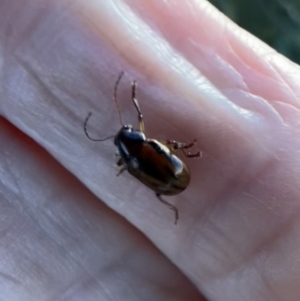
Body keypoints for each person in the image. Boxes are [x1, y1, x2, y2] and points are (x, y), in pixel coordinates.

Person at [0, 0, 299, 300]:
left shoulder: (131, 161)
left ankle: (181, 172)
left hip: (170, 182)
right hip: (172, 178)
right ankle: (187, 157)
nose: (130, 127)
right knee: (164, 152)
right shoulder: (141, 149)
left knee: (162, 163)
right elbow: (146, 128)